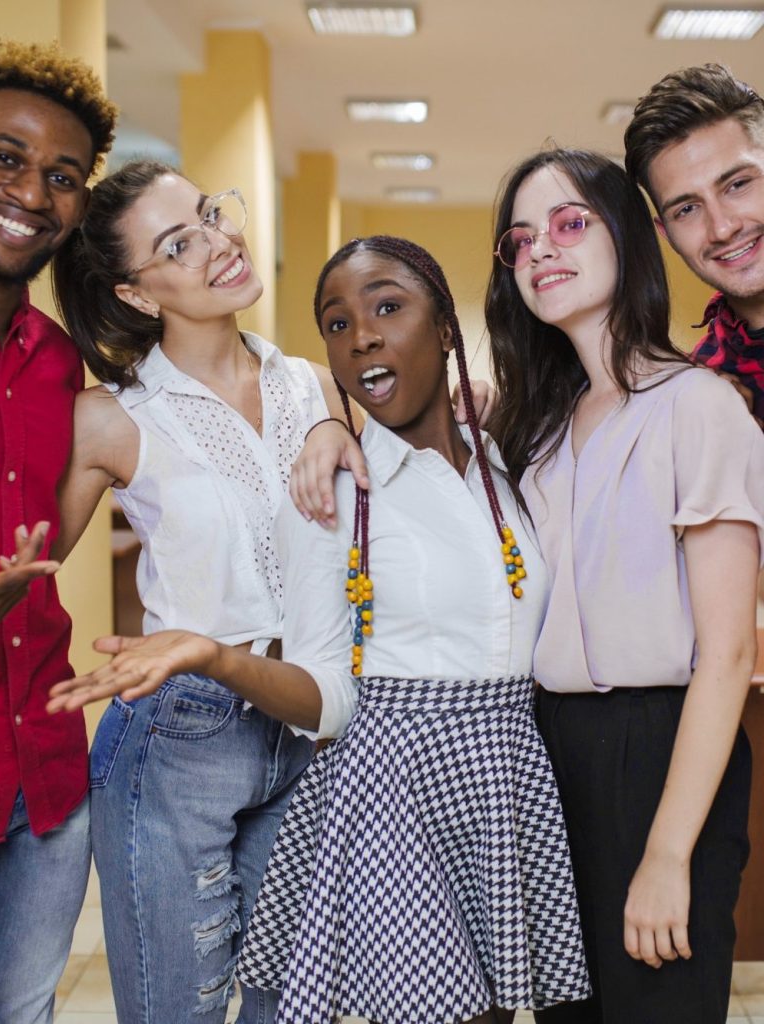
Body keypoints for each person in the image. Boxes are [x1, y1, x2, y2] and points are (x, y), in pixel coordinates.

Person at [48, 234, 592, 1022]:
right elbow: (331, 699)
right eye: (336, 324)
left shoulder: (507, 460)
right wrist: (216, 657)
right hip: (398, 792)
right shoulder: (332, 496)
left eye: (387, 307)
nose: (362, 335)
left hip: (508, 776)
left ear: (444, 329)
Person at [279, 151, 764, 1023]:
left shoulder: (700, 405)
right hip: (542, 755)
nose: (542, 248)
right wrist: (325, 424)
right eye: (519, 238)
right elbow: (388, 394)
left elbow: (729, 654)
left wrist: (666, 853)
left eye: (571, 223)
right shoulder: (531, 425)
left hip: (658, 752)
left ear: (630, 236)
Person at [0, 38, 116, 1024]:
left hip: (45, 771)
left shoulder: (56, 363)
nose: (33, 190)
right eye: (7, 157)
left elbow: (49, 551)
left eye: (63, 176)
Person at [624, 63, 764, 428]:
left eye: (737, 185)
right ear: (666, 234)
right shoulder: (696, 393)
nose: (722, 228)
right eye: (687, 209)